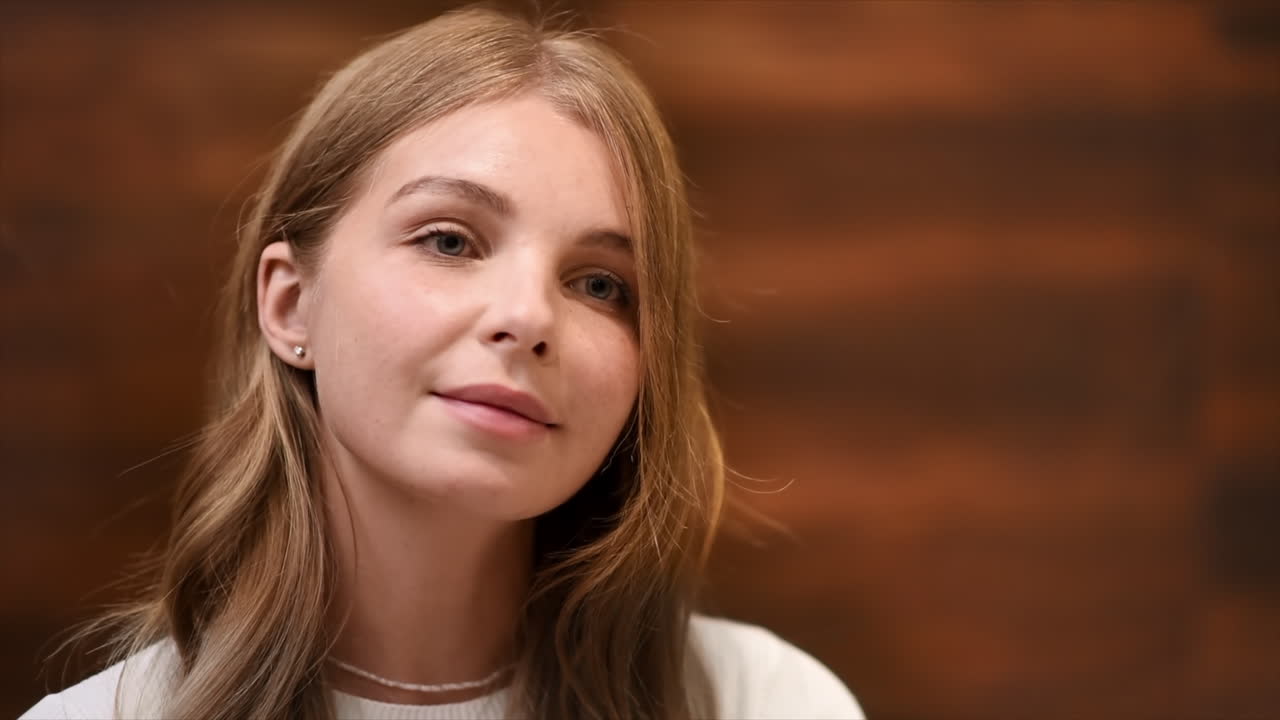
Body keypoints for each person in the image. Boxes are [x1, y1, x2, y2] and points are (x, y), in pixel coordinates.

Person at [21, 6, 864, 719]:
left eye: (602, 284)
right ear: (289, 303)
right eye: (450, 240)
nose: (530, 317)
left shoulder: (765, 701)